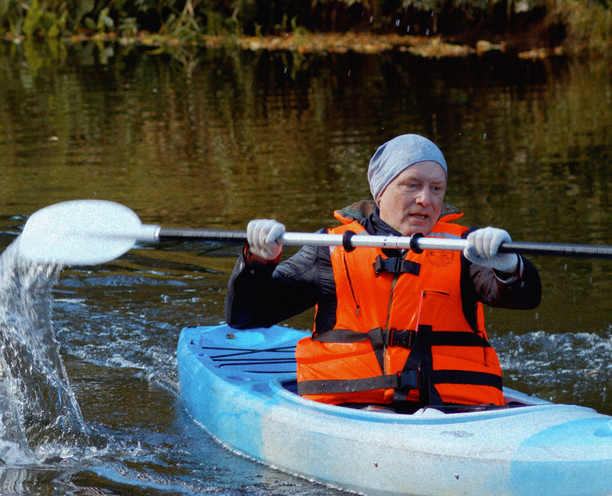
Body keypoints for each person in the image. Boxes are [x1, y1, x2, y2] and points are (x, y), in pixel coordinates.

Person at [225, 133, 539, 412]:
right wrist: (258, 261)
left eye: (436, 188)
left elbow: (524, 298)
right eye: (411, 185)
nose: (425, 199)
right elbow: (245, 316)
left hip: (453, 411)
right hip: (355, 408)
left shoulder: (465, 249)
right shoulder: (329, 249)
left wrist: (509, 266)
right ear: (380, 191)